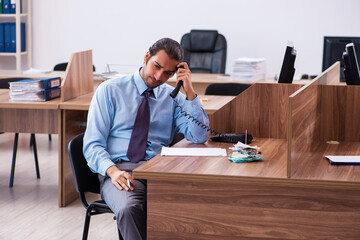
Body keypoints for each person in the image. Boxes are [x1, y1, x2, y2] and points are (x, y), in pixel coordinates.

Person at [83, 37, 209, 240]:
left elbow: (199, 135)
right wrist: (113, 172)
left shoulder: (173, 97)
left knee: (195, 205)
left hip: (160, 171)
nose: (159, 76)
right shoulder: (110, 90)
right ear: (146, 57)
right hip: (121, 170)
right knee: (129, 207)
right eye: (156, 66)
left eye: (168, 73)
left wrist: (190, 92)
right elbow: (92, 145)